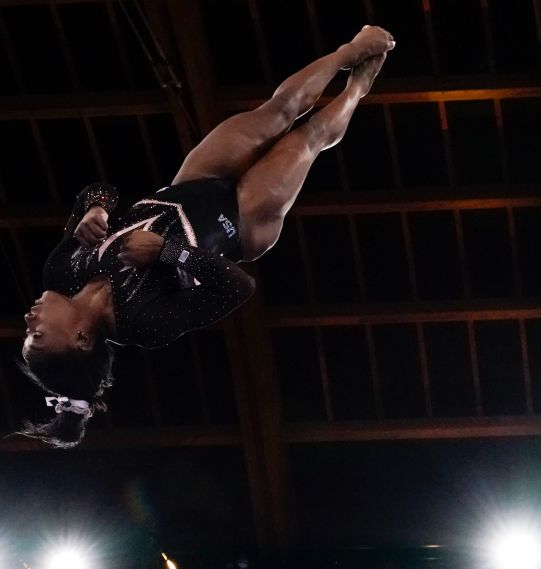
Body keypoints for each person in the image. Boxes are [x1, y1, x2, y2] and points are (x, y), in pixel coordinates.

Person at [16, 26, 395, 449]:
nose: (29, 321)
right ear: (82, 339)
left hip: (190, 183)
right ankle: (357, 88)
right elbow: (238, 286)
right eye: (37, 335)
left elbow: (99, 189)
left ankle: (347, 51)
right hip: (241, 223)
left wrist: (95, 209)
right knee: (307, 139)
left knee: (279, 109)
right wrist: (168, 251)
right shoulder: (144, 324)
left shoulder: (61, 271)